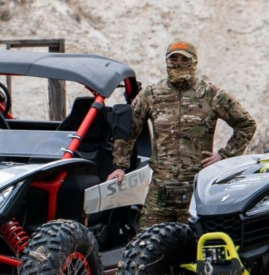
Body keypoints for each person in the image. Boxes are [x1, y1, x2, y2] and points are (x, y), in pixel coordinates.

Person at [108, 40, 256, 227]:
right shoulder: (152, 95)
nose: (178, 64)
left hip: (196, 189)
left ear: (194, 62)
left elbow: (246, 124)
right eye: (174, 59)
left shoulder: (211, 94)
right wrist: (120, 166)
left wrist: (224, 155)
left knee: (194, 242)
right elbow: (128, 131)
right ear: (167, 62)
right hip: (160, 192)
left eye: (185, 59)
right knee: (147, 241)